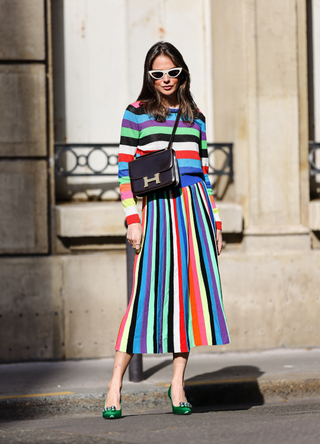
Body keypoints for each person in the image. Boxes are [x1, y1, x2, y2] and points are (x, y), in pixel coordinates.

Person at [102, 41, 230, 419]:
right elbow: (125, 170)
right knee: (143, 297)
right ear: (149, 76)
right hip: (157, 211)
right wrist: (132, 218)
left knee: (188, 299)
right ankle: (114, 384)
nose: (165, 79)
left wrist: (217, 223)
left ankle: (177, 383)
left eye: (171, 72)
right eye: (157, 73)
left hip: (196, 212)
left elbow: (205, 175)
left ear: (182, 73)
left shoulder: (197, 117)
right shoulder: (135, 113)